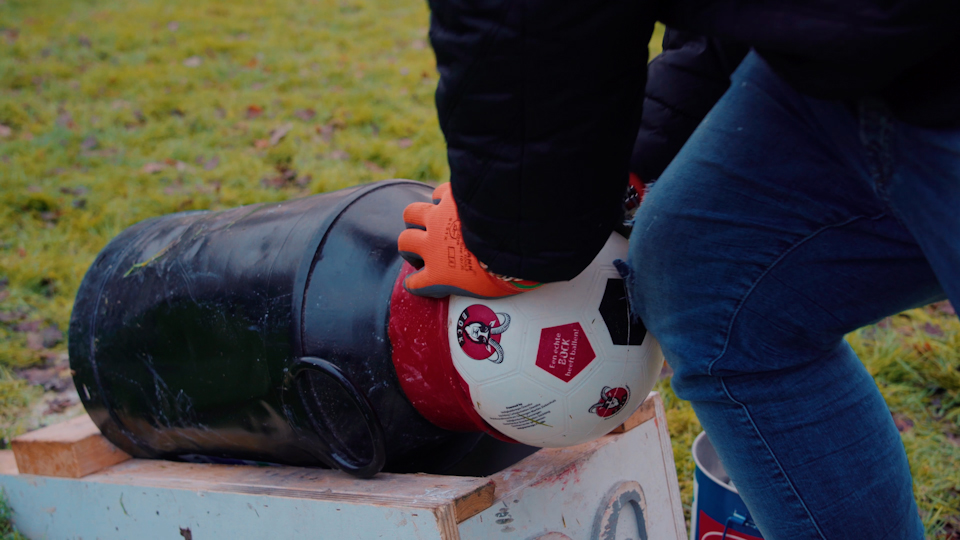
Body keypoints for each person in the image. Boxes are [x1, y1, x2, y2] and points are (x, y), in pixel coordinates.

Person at [397, 1, 960, 538]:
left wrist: (514, 239)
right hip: (862, 58)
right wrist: (632, 167)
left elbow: (525, 20)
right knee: (706, 276)